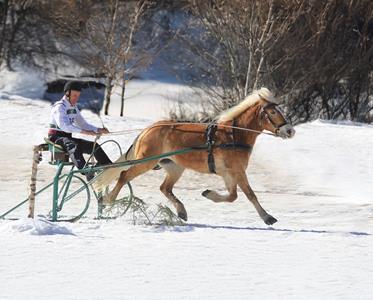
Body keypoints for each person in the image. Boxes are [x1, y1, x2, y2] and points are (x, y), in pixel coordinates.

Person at [48, 81, 112, 181]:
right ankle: (86, 171)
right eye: (74, 95)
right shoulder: (59, 107)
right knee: (73, 145)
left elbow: (83, 124)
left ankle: (107, 165)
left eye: (78, 96)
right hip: (56, 137)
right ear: (67, 93)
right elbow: (64, 126)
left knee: (93, 146)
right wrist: (84, 132)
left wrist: (98, 129)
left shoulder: (74, 108)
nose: (76, 98)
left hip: (67, 138)